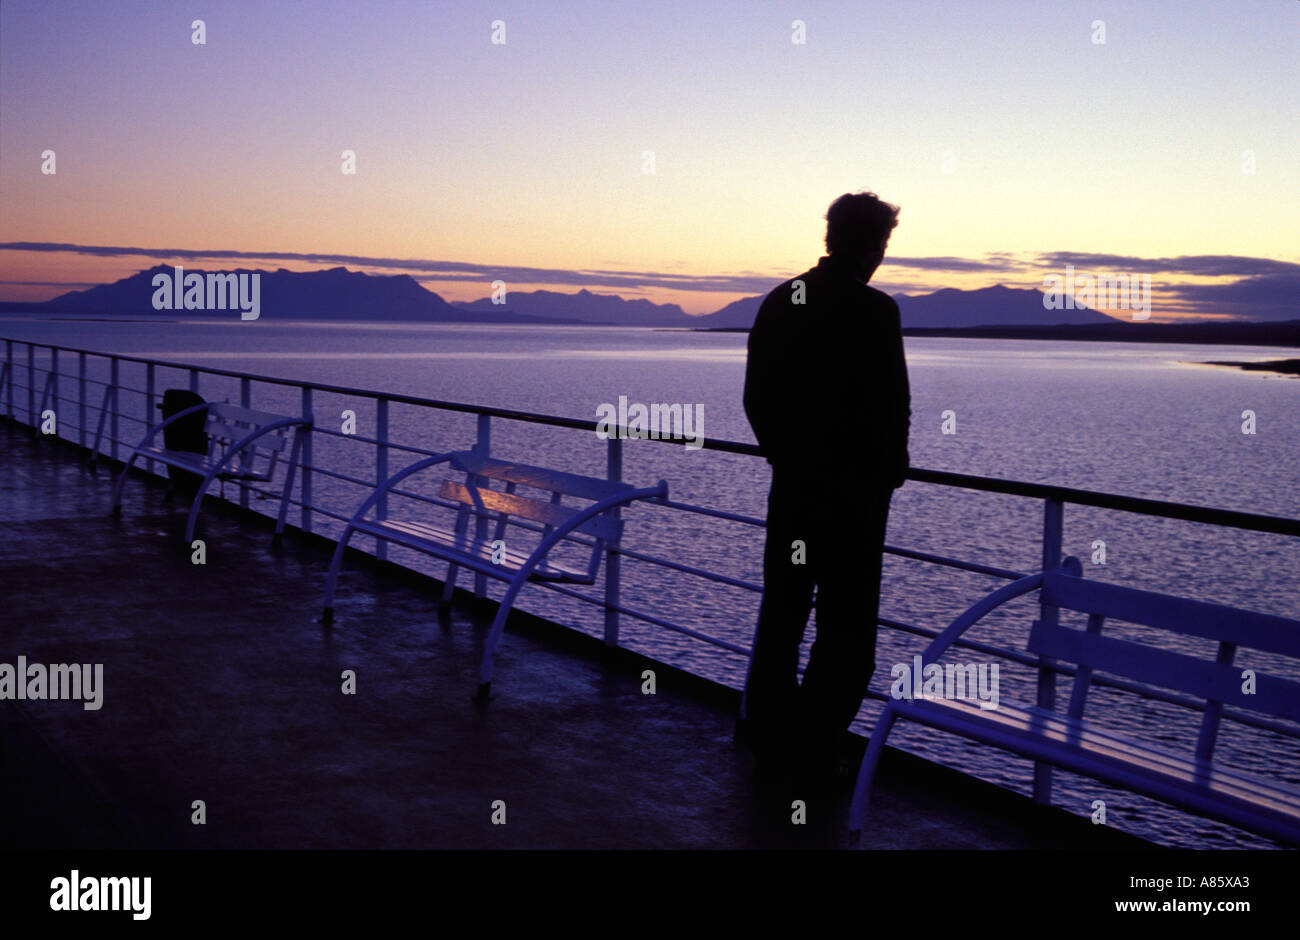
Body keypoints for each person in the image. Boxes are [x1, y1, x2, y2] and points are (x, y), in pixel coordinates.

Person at [740, 191, 911, 785]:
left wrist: (788, 460)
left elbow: (756, 400)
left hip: (792, 495)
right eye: (882, 243)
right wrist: (886, 475)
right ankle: (809, 750)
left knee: (783, 615)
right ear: (870, 243)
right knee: (848, 633)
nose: (881, 255)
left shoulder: (782, 301)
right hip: (855, 506)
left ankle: (767, 736)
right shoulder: (874, 311)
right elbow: (894, 408)